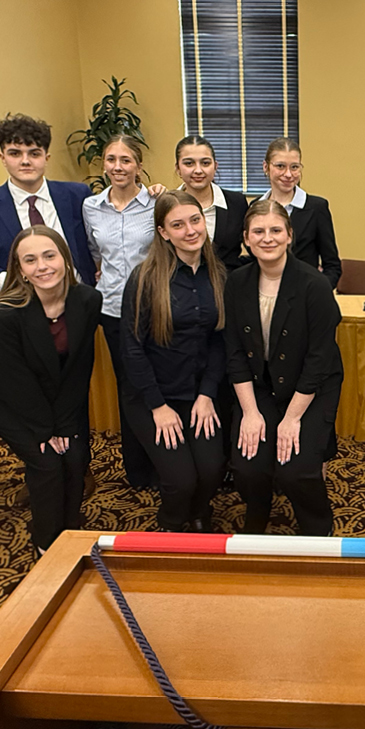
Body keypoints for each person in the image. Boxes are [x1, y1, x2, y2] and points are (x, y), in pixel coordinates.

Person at [0, 226, 103, 553]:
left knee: (75, 458)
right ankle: (47, 544)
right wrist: (47, 430)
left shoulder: (88, 300)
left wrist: (65, 425)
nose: (42, 266)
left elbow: (79, 368)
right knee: (48, 462)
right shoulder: (2, 314)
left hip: (60, 395)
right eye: (30, 260)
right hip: (9, 401)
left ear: (65, 259)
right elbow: (17, 383)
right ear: (19, 270)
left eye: (49, 256)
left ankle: (70, 534)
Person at [225, 200, 342, 536]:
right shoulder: (236, 283)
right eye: (258, 231)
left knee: (295, 471)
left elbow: (319, 360)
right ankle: (258, 510)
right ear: (246, 238)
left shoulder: (314, 285)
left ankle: (318, 525)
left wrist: (291, 419)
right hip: (261, 385)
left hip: (310, 387)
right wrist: (250, 413)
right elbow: (234, 352)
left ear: (290, 235)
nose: (267, 238)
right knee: (247, 466)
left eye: (276, 230)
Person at [121, 191, 227, 531]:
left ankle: (198, 514)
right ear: (163, 232)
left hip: (199, 395)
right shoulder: (145, 278)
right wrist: (158, 407)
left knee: (212, 471)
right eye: (178, 225)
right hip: (153, 398)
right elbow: (132, 348)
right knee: (181, 480)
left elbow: (220, 341)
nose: (190, 230)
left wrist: (207, 394)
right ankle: (171, 523)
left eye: (195, 220)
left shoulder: (219, 275)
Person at [82, 135, 158, 489]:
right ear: (103, 164)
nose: (118, 166)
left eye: (126, 160)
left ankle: (164, 459)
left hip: (153, 308)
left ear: (139, 166)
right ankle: (137, 468)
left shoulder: (156, 203)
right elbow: (95, 253)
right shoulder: (91, 207)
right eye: (111, 159)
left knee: (157, 384)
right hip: (112, 309)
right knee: (128, 387)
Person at [0, 114, 97, 298]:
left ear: (46, 157)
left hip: (80, 298)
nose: (25, 161)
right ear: (2, 158)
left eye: (34, 153)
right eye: (15, 154)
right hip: (20, 304)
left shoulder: (77, 195)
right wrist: (12, 283)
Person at [256, 137, 342, 289]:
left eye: (294, 167)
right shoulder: (255, 207)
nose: (288, 174)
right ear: (266, 167)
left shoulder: (317, 208)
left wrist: (319, 292)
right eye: (280, 166)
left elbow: (332, 265)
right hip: (264, 292)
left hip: (305, 294)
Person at [175, 135, 250, 272]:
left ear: (215, 166)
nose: (198, 170)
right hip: (180, 282)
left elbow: (253, 246)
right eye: (189, 163)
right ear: (178, 168)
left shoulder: (236, 203)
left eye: (205, 163)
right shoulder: (168, 204)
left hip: (228, 282)